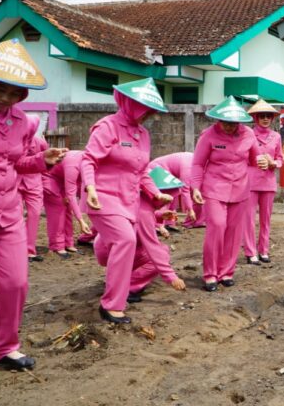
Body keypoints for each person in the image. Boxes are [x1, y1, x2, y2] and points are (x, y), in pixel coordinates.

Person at [0, 39, 67, 399]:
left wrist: (43, 161)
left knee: (15, 283)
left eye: (15, 93)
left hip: (9, 213)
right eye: (1, 90)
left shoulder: (22, 121)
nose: (7, 98)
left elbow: (18, 162)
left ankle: (5, 347)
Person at [81, 78, 172, 324]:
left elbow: (142, 171)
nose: (147, 115)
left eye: (150, 111)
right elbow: (89, 160)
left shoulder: (143, 134)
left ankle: (118, 293)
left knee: (122, 245)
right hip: (103, 196)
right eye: (144, 109)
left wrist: (155, 193)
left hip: (128, 200)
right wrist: (90, 187)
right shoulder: (107, 127)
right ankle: (111, 305)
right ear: (130, 104)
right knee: (125, 240)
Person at [191, 96, 260, 292]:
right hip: (214, 188)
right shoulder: (208, 135)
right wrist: (195, 187)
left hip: (240, 189)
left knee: (234, 231)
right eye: (225, 123)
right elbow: (197, 164)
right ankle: (210, 274)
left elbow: (255, 160)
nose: (229, 127)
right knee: (217, 226)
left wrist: (264, 161)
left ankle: (227, 272)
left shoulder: (248, 135)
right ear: (218, 120)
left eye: (234, 123)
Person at [104, 166, 186, 303]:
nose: (166, 203)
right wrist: (171, 277)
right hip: (115, 249)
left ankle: (120, 279)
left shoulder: (137, 198)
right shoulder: (144, 212)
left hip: (110, 246)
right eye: (165, 200)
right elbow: (152, 246)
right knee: (161, 254)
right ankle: (126, 287)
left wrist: (159, 215)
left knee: (161, 251)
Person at [243, 99, 283, 265]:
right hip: (251, 181)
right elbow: (241, 155)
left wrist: (274, 163)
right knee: (249, 219)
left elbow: (280, 158)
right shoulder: (247, 134)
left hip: (268, 181)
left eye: (268, 116)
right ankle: (250, 252)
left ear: (272, 118)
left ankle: (264, 250)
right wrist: (256, 160)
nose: (265, 119)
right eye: (262, 116)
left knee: (266, 219)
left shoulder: (276, 136)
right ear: (255, 118)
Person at [42, 150, 92, 257]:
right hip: (50, 177)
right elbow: (71, 194)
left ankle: (68, 243)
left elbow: (80, 183)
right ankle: (57, 245)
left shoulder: (90, 160)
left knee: (68, 207)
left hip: (63, 179)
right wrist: (81, 221)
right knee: (58, 208)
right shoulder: (73, 164)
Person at [19, 115, 48, 262]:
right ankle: (16, 249)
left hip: (34, 183)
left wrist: (46, 181)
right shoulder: (14, 141)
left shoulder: (40, 142)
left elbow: (47, 160)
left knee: (35, 214)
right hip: (16, 182)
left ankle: (30, 249)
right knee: (16, 216)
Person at [149, 152, 200, 229]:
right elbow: (185, 190)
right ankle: (158, 225)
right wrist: (190, 210)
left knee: (175, 192)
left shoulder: (195, 161)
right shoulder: (189, 167)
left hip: (165, 170)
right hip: (156, 168)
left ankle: (170, 223)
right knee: (170, 195)